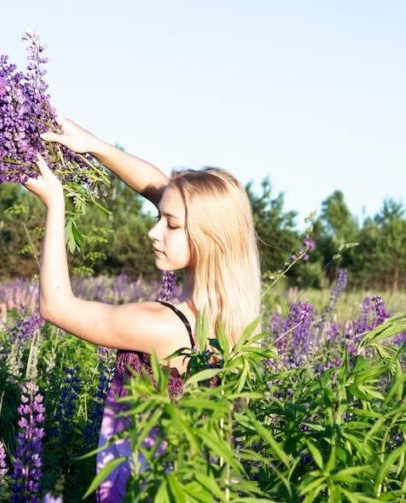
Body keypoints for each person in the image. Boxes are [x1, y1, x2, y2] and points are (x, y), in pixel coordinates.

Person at [23, 117, 261, 501]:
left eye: (170, 224)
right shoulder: (232, 321)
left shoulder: (160, 327)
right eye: (157, 217)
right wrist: (93, 144)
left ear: (208, 237)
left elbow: (57, 306)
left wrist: (55, 204)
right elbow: (158, 187)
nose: (154, 231)